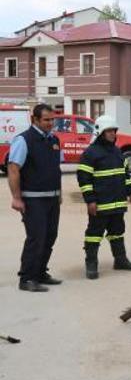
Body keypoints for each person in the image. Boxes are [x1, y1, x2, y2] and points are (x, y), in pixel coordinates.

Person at [77, 115, 131, 280]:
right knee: (94, 234)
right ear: (100, 132)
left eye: (114, 130)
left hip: (118, 201)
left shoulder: (117, 151)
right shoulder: (90, 153)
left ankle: (120, 260)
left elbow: (125, 174)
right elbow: (84, 179)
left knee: (117, 232)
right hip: (100, 203)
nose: (113, 133)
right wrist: (90, 200)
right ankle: (91, 264)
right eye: (109, 131)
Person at [7, 104, 63, 292]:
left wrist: (59, 193)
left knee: (50, 236)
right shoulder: (24, 140)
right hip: (33, 200)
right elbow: (13, 168)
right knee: (36, 238)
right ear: (35, 120)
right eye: (46, 120)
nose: (50, 123)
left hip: (52, 198)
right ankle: (27, 278)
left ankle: (40, 273)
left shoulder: (54, 140)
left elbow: (56, 169)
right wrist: (16, 198)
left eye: (52, 119)